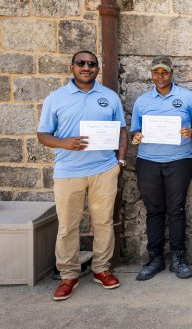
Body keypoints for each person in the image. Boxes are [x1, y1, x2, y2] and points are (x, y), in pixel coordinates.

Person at [37, 50, 128, 301]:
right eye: (81, 63)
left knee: (103, 223)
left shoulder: (109, 97)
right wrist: (64, 143)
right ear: (72, 67)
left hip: (103, 170)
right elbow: (42, 135)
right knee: (68, 226)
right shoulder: (55, 98)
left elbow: (122, 131)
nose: (86, 67)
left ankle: (102, 269)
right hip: (68, 172)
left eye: (91, 64)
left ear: (97, 69)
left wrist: (119, 161)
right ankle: (68, 274)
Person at [130, 56, 192, 281]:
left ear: (172, 74)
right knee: (154, 211)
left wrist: (191, 132)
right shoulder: (142, 101)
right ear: (151, 75)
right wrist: (137, 136)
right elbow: (135, 131)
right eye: (156, 73)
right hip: (148, 161)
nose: (160, 77)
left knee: (176, 209)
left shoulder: (187, 98)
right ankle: (155, 259)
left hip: (179, 160)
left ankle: (178, 259)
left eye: (164, 72)